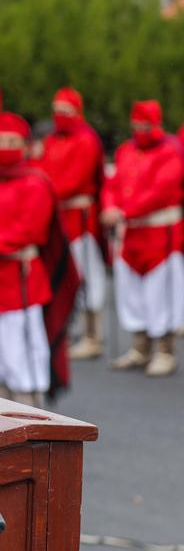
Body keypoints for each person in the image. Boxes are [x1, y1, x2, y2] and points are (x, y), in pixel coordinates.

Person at [0, 113, 69, 406]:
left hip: (20, 286)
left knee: (24, 368)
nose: (4, 146)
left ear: (25, 146)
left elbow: (27, 232)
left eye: (11, 141)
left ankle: (34, 433)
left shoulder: (36, 183)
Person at [102, 100, 182, 377]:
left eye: (145, 126)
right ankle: (140, 346)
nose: (140, 131)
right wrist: (110, 206)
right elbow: (111, 185)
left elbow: (162, 190)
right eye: (136, 126)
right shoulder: (126, 151)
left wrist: (123, 210)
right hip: (131, 231)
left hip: (160, 233)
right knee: (132, 291)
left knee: (161, 293)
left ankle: (165, 350)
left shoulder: (170, 152)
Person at [37, 88, 107, 360]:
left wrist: (44, 191)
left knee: (88, 277)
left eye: (65, 111)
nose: (59, 116)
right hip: (59, 216)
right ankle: (69, 328)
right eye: (56, 110)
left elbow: (75, 180)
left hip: (80, 218)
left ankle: (93, 333)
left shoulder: (86, 140)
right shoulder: (52, 140)